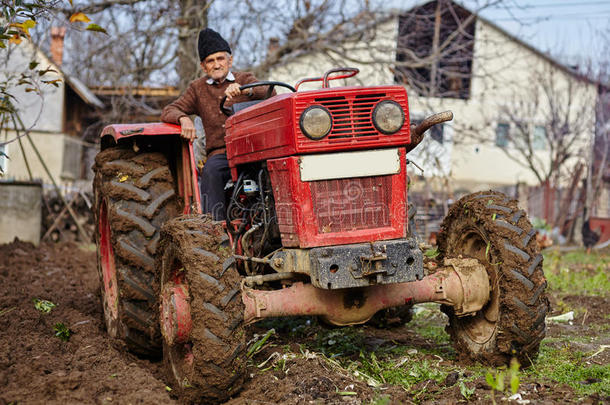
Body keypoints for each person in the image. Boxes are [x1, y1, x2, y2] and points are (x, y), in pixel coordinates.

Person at [161, 28, 270, 220]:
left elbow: (269, 91)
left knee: (275, 169)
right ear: (204, 66)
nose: (217, 64)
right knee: (211, 171)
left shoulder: (245, 79)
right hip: (221, 154)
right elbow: (169, 109)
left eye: (220, 59)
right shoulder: (197, 89)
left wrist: (246, 91)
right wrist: (183, 118)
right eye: (210, 61)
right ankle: (214, 231)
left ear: (230, 60)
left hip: (252, 150)